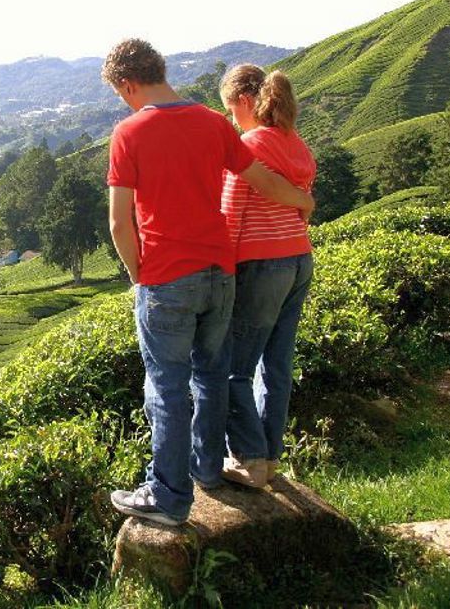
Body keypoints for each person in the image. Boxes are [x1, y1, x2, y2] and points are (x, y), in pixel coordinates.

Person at [103, 39, 315, 526]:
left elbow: (119, 223)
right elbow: (262, 180)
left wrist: (141, 277)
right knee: (211, 374)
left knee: (166, 389)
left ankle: (169, 497)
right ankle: (207, 470)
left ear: (128, 84)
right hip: (220, 273)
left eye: (121, 93)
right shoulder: (214, 122)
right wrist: (303, 202)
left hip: (167, 276)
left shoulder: (129, 132)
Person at [218, 64, 316, 489]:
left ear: (244, 101)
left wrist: (222, 274)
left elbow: (230, 214)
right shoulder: (296, 144)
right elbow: (301, 205)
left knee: (232, 368)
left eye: (230, 109)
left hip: (260, 265)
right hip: (298, 258)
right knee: (275, 364)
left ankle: (250, 460)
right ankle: (270, 457)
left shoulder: (249, 144)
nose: (231, 119)